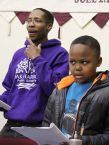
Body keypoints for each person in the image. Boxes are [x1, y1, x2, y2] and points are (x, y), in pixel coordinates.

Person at [41, 35, 109, 145]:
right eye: (72, 62)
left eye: (84, 62)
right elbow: (47, 124)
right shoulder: (60, 89)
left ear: (98, 62)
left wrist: (82, 142)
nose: (77, 67)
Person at [0, 8, 69, 137]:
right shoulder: (19, 53)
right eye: (29, 20)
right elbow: (10, 89)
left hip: (38, 126)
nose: (31, 24)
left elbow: (55, 90)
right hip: (11, 125)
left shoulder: (60, 54)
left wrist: (37, 59)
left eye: (37, 20)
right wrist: (1, 101)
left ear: (49, 26)